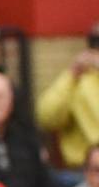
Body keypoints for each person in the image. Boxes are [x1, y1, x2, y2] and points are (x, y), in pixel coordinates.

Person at [36, 20, 99, 170]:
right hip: (83, 170)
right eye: (95, 42)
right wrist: (71, 74)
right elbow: (46, 118)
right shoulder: (77, 79)